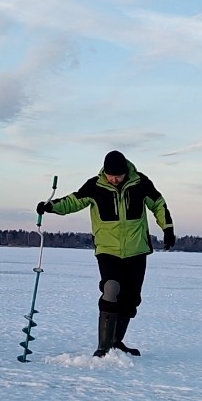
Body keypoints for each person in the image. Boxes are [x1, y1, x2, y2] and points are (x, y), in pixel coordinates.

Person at [37, 150, 175, 357]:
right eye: (111, 176)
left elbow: (158, 204)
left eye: (118, 176)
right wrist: (51, 206)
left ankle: (116, 343)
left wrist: (168, 228)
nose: (114, 179)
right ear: (105, 172)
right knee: (111, 288)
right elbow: (73, 201)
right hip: (107, 249)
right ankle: (104, 347)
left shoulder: (141, 182)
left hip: (136, 250)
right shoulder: (95, 186)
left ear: (125, 172)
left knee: (131, 298)